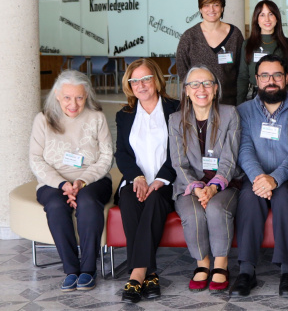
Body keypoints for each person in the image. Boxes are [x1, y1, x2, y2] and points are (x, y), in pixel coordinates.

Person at [29, 70, 114, 292]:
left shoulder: (97, 117)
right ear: (57, 95)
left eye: (79, 97)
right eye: (67, 97)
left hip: (93, 180)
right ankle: (71, 270)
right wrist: (62, 185)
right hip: (52, 184)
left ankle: (87, 270)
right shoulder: (43, 119)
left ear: (87, 96)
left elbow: (106, 157)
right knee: (56, 205)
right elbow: (35, 159)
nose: (73, 104)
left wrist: (82, 182)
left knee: (87, 202)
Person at [233, 55, 288, 297]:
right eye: (265, 76)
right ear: (256, 80)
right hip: (255, 179)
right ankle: (246, 270)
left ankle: (287, 271)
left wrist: (276, 178)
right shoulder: (243, 111)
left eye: (276, 75)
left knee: (285, 200)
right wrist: (259, 178)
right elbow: (244, 149)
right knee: (249, 200)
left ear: (285, 79)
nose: (270, 81)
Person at [169, 66, 242, 293]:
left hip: (225, 184)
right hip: (189, 185)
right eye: (194, 84)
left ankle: (221, 264)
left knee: (216, 209)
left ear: (216, 88)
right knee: (193, 213)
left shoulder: (230, 114)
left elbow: (230, 158)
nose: (201, 89)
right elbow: (178, 162)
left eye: (207, 83)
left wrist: (213, 186)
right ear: (186, 91)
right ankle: (202, 264)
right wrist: (197, 188)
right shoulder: (175, 119)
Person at [114, 59, 180, 303]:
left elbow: (181, 151)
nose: (140, 85)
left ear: (157, 80)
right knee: (129, 202)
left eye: (146, 79)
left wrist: (160, 180)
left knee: (153, 202)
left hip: (167, 183)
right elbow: (121, 153)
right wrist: (137, 177)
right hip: (135, 181)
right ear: (129, 86)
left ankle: (137, 274)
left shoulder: (176, 108)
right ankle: (150, 274)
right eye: (135, 81)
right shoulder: (125, 115)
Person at [176, 0, 244, 105]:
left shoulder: (235, 35)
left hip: (229, 103)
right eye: (206, 5)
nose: (211, 10)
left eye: (216, 5)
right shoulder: (189, 37)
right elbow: (183, 72)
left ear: (222, 8)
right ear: (200, 9)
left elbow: (241, 70)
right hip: (199, 104)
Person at [236, 0, 288, 103]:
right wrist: (239, 104)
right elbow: (243, 76)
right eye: (262, 15)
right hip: (255, 97)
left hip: (280, 96)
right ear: (257, 20)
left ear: (277, 18)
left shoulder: (287, 44)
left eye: (271, 14)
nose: (267, 19)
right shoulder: (248, 44)